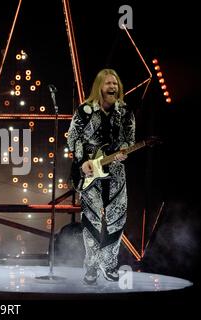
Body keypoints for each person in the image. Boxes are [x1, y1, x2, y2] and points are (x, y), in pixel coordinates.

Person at [67, 69, 135, 285]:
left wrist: (124, 151)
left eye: (115, 83)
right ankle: (91, 267)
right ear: (99, 86)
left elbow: (129, 139)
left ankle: (109, 264)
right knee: (91, 222)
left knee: (117, 220)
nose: (113, 87)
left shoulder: (125, 112)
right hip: (89, 174)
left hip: (115, 173)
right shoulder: (85, 111)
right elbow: (72, 139)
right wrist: (82, 162)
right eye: (108, 83)